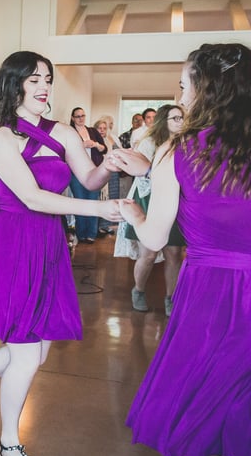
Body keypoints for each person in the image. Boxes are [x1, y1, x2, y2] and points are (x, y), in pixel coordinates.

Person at [0, 52, 123, 456]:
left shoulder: (62, 131)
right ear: (15, 84)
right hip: (10, 240)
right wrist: (100, 211)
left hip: (48, 243)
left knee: (39, 348)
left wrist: (109, 166)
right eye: (33, 79)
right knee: (26, 351)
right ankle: (10, 441)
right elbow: (31, 197)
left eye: (47, 79)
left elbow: (89, 177)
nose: (43, 86)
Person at [121, 43, 251, 456]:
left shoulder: (182, 152)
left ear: (204, 88)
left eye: (184, 84)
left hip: (209, 305)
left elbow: (154, 239)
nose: (181, 93)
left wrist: (133, 211)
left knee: (183, 444)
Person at [119, 104, 186, 314]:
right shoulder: (149, 143)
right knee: (148, 253)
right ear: (163, 121)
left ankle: (170, 298)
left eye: (182, 118)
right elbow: (142, 177)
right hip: (149, 199)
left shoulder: (186, 144)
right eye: (175, 118)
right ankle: (138, 290)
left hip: (175, 201)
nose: (181, 122)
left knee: (174, 253)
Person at [68, 106, 107, 243]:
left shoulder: (92, 131)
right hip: (76, 172)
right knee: (80, 202)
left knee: (93, 202)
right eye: (77, 116)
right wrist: (81, 145)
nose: (81, 118)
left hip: (94, 171)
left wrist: (95, 144)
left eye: (83, 116)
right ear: (73, 118)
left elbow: (104, 149)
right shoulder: (69, 132)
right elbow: (64, 150)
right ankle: (81, 233)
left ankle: (91, 234)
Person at [94, 116, 119, 236]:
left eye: (104, 128)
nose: (102, 130)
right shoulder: (94, 141)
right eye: (100, 128)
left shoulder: (111, 139)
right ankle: (97, 226)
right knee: (100, 198)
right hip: (101, 171)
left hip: (113, 174)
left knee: (110, 198)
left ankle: (106, 225)